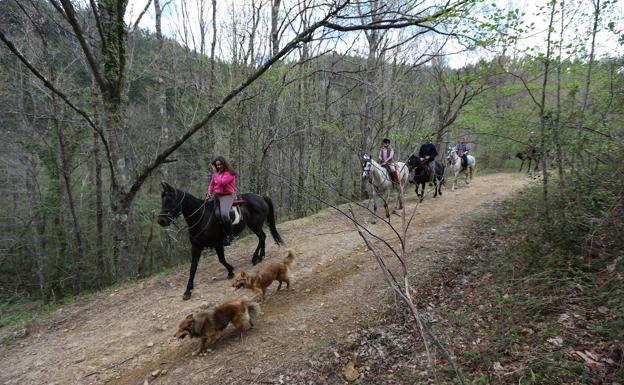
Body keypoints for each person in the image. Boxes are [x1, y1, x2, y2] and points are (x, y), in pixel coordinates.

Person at [206, 156, 237, 246]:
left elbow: (221, 183)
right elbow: (211, 185)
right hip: (216, 195)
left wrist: (215, 173)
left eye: (220, 164)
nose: (219, 166)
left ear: (224, 163)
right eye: (217, 165)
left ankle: (231, 235)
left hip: (227, 195)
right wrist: (209, 193)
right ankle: (221, 234)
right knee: (215, 213)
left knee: (223, 214)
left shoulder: (230, 173)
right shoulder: (216, 173)